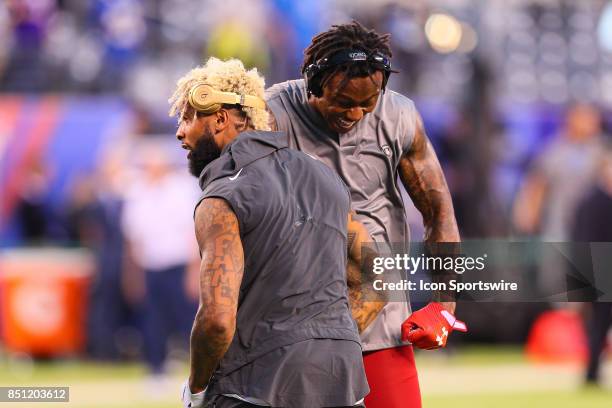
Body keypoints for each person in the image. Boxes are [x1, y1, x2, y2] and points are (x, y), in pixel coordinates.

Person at [266, 21, 466, 408]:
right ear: (314, 82)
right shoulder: (271, 116)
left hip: (379, 317)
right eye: (342, 101)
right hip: (296, 317)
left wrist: (445, 304)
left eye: (368, 101)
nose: (355, 112)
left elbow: (438, 208)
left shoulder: (400, 116)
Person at [170, 57, 371, 408]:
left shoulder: (221, 198)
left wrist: (197, 388)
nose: (180, 132)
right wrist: (329, 336)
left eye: (188, 117)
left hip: (254, 386)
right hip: (343, 380)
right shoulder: (325, 177)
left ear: (220, 118)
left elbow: (217, 320)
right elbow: (378, 275)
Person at [571, 150, 612, 386]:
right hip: (599, 269)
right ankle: (592, 372)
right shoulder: (591, 202)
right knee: (598, 323)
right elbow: (581, 241)